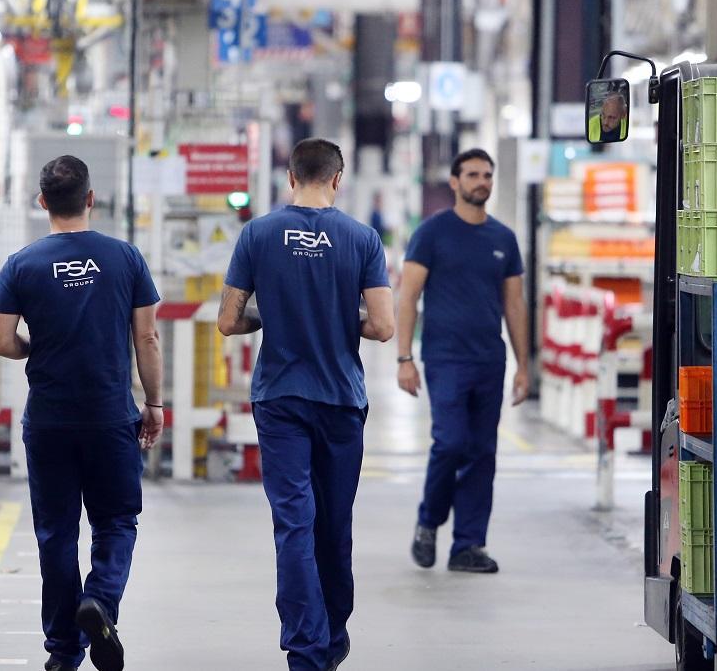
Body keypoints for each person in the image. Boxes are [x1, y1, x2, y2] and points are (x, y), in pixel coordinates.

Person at [218, 138, 395, 671]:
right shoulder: (362, 239)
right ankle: (334, 632)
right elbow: (383, 326)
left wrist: (272, 318)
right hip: (341, 399)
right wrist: (341, 321)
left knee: (294, 522)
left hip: (280, 399)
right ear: (337, 179)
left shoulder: (259, 234)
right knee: (334, 522)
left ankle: (305, 647)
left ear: (290, 177)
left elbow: (228, 321)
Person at [0, 155, 164, 671]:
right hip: (111, 415)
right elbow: (147, 337)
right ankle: (101, 601)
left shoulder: (22, 263)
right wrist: (153, 403)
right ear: (91, 199)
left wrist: (33, 351)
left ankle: (64, 653)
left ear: (43, 202)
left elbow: (0, 341)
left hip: (49, 420)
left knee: (56, 534)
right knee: (115, 520)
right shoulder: (125, 258)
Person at [398, 148, 530, 575]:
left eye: (487, 175)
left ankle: (468, 544)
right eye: (472, 174)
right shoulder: (432, 233)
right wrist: (405, 358)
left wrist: (524, 366)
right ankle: (428, 520)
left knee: (482, 452)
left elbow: (515, 305)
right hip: (444, 359)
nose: (482, 182)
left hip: (489, 360)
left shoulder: (503, 239)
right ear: (454, 182)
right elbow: (408, 297)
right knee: (451, 443)